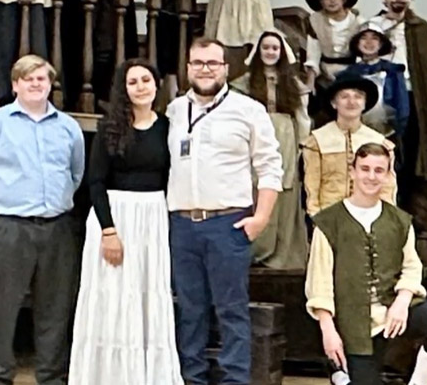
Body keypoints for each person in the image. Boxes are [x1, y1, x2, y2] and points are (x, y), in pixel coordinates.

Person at [166, 37, 283, 384]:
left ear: (226, 68)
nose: (205, 69)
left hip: (228, 223)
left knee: (231, 309)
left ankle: (235, 379)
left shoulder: (248, 110)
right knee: (190, 310)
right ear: (188, 68)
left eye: (212, 63)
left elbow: (270, 167)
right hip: (182, 224)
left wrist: (261, 218)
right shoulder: (174, 110)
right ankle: (192, 378)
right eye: (198, 63)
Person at [0, 55, 84, 385]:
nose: (35, 84)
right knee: (0, 306)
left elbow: (75, 173)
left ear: (50, 84)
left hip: (57, 227)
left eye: (41, 78)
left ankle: (52, 376)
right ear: (15, 84)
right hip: (8, 226)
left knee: (55, 307)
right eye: (28, 78)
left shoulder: (68, 127)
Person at [69, 59, 181, 385]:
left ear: (157, 85)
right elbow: (95, 182)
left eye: (146, 80)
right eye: (133, 82)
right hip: (115, 217)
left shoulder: (168, 128)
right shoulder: (110, 127)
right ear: (124, 89)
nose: (141, 87)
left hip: (153, 218)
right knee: (113, 296)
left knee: (148, 295)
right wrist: (109, 231)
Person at [306, 143, 427, 385]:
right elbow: (319, 282)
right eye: (365, 169)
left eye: (379, 170)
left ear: (387, 175)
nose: (371, 176)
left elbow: (412, 266)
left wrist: (402, 301)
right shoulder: (329, 223)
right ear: (353, 172)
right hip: (353, 322)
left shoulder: (399, 220)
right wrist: (328, 330)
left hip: (393, 305)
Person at [232, 30, 310, 269]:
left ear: (282, 52)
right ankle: (255, 248)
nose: (270, 52)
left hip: (285, 136)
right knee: (256, 186)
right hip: (253, 135)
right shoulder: (243, 83)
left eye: (275, 48)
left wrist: (302, 143)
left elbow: (302, 117)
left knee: (283, 187)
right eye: (265, 47)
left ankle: (282, 253)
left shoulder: (293, 83)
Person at [373, 0, 427, 203]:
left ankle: (406, 199)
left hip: (412, 92)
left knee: (410, 146)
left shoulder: (419, 27)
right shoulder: (373, 26)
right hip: (381, 92)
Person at [302, 73, 396, 215]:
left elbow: (387, 187)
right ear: (334, 103)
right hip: (330, 216)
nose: (351, 102)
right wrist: (317, 219)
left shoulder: (378, 141)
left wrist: (385, 218)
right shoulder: (318, 140)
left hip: (369, 216)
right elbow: (312, 187)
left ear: (364, 103)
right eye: (344, 97)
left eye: (358, 97)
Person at [337, 20, 409, 142]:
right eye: (363, 38)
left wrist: (398, 131)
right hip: (355, 135)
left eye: (374, 38)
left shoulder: (393, 72)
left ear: (381, 43)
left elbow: (402, 106)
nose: (369, 42)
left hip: (388, 134)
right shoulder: (348, 75)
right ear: (357, 43)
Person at [304, 0, 362, 92]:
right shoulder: (315, 21)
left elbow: (362, 55)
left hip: (351, 72)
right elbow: (313, 53)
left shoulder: (358, 22)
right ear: (321, 2)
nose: (332, 1)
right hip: (324, 74)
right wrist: (310, 82)